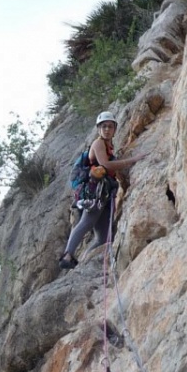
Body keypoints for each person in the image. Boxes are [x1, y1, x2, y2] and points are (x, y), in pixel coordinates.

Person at [58, 111, 141, 269]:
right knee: (87, 222)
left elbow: (110, 167)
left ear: (115, 129)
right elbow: (106, 165)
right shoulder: (98, 144)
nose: (107, 129)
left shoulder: (109, 147)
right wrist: (133, 160)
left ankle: (82, 263)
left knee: (103, 238)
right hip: (94, 190)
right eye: (104, 126)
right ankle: (67, 256)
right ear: (98, 129)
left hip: (105, 192)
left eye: (110, 126)